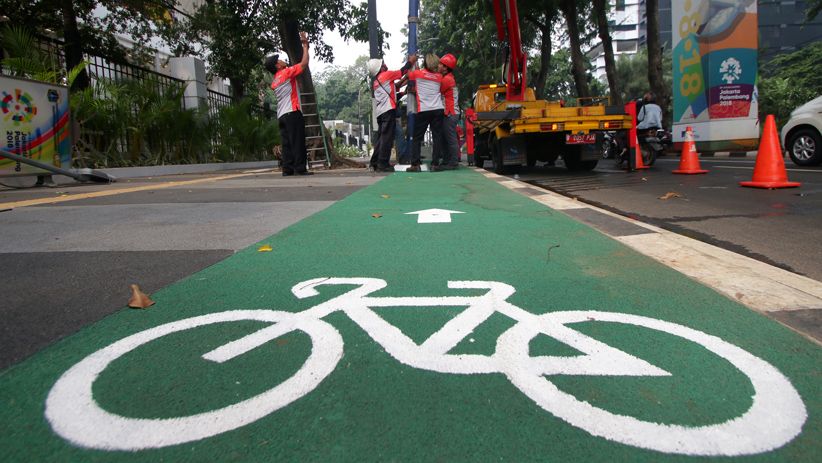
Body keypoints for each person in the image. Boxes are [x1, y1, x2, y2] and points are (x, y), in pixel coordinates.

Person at [265, 32, 312, 176]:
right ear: (278, 65)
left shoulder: (275, 81)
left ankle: (287, 169)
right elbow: (303, 64)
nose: (285, 61)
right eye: (281, 60)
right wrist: (305, 46)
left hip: (281, 115)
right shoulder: (285, 73)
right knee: (297, 141)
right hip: (293, 111)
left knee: (286, 143)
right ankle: (300, 168)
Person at [367, 54, 417, 172]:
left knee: (381, 138)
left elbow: (393, 90)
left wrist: (404, 84)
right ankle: (383, 164)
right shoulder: (387, 75)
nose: (385, 64)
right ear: (381, 68)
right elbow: (402, 71)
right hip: (388, 111)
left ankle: (375, 162)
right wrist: (411, 61)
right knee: (386, 139)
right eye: (382, 64)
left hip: (381, 113)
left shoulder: (377, 81)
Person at [406, 55, 444, 172]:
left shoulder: (417, 74)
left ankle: (415, 165)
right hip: (438, 109)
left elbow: (408, 75)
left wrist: (412, 62)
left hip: (424, 110)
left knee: (417, 138)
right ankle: (435, 164)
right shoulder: (439, 77)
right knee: (437, 137)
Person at [433, 53, 460, 171]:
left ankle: (453, 162)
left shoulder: (447, 80)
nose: (438, 66)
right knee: (445, 137)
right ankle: (447, 160)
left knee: (450, 138)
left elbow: (435, 89)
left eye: (440, 64)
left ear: (445, 68)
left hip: (451, 113)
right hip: (449, 113)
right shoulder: (447, 78)